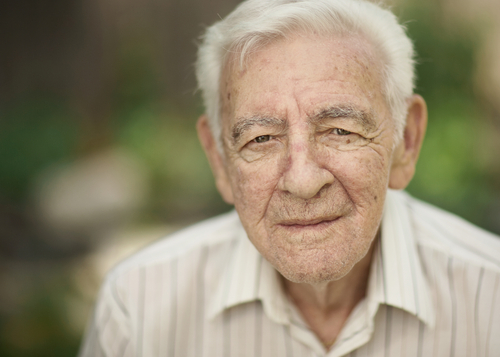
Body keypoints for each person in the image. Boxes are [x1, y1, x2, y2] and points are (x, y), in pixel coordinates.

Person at [78, 0, 500, 356]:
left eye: (340, 130)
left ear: (406, 140)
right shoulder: (137, 308)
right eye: (261, 138)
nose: (302, 181)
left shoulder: (490, 299)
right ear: (220, 160)